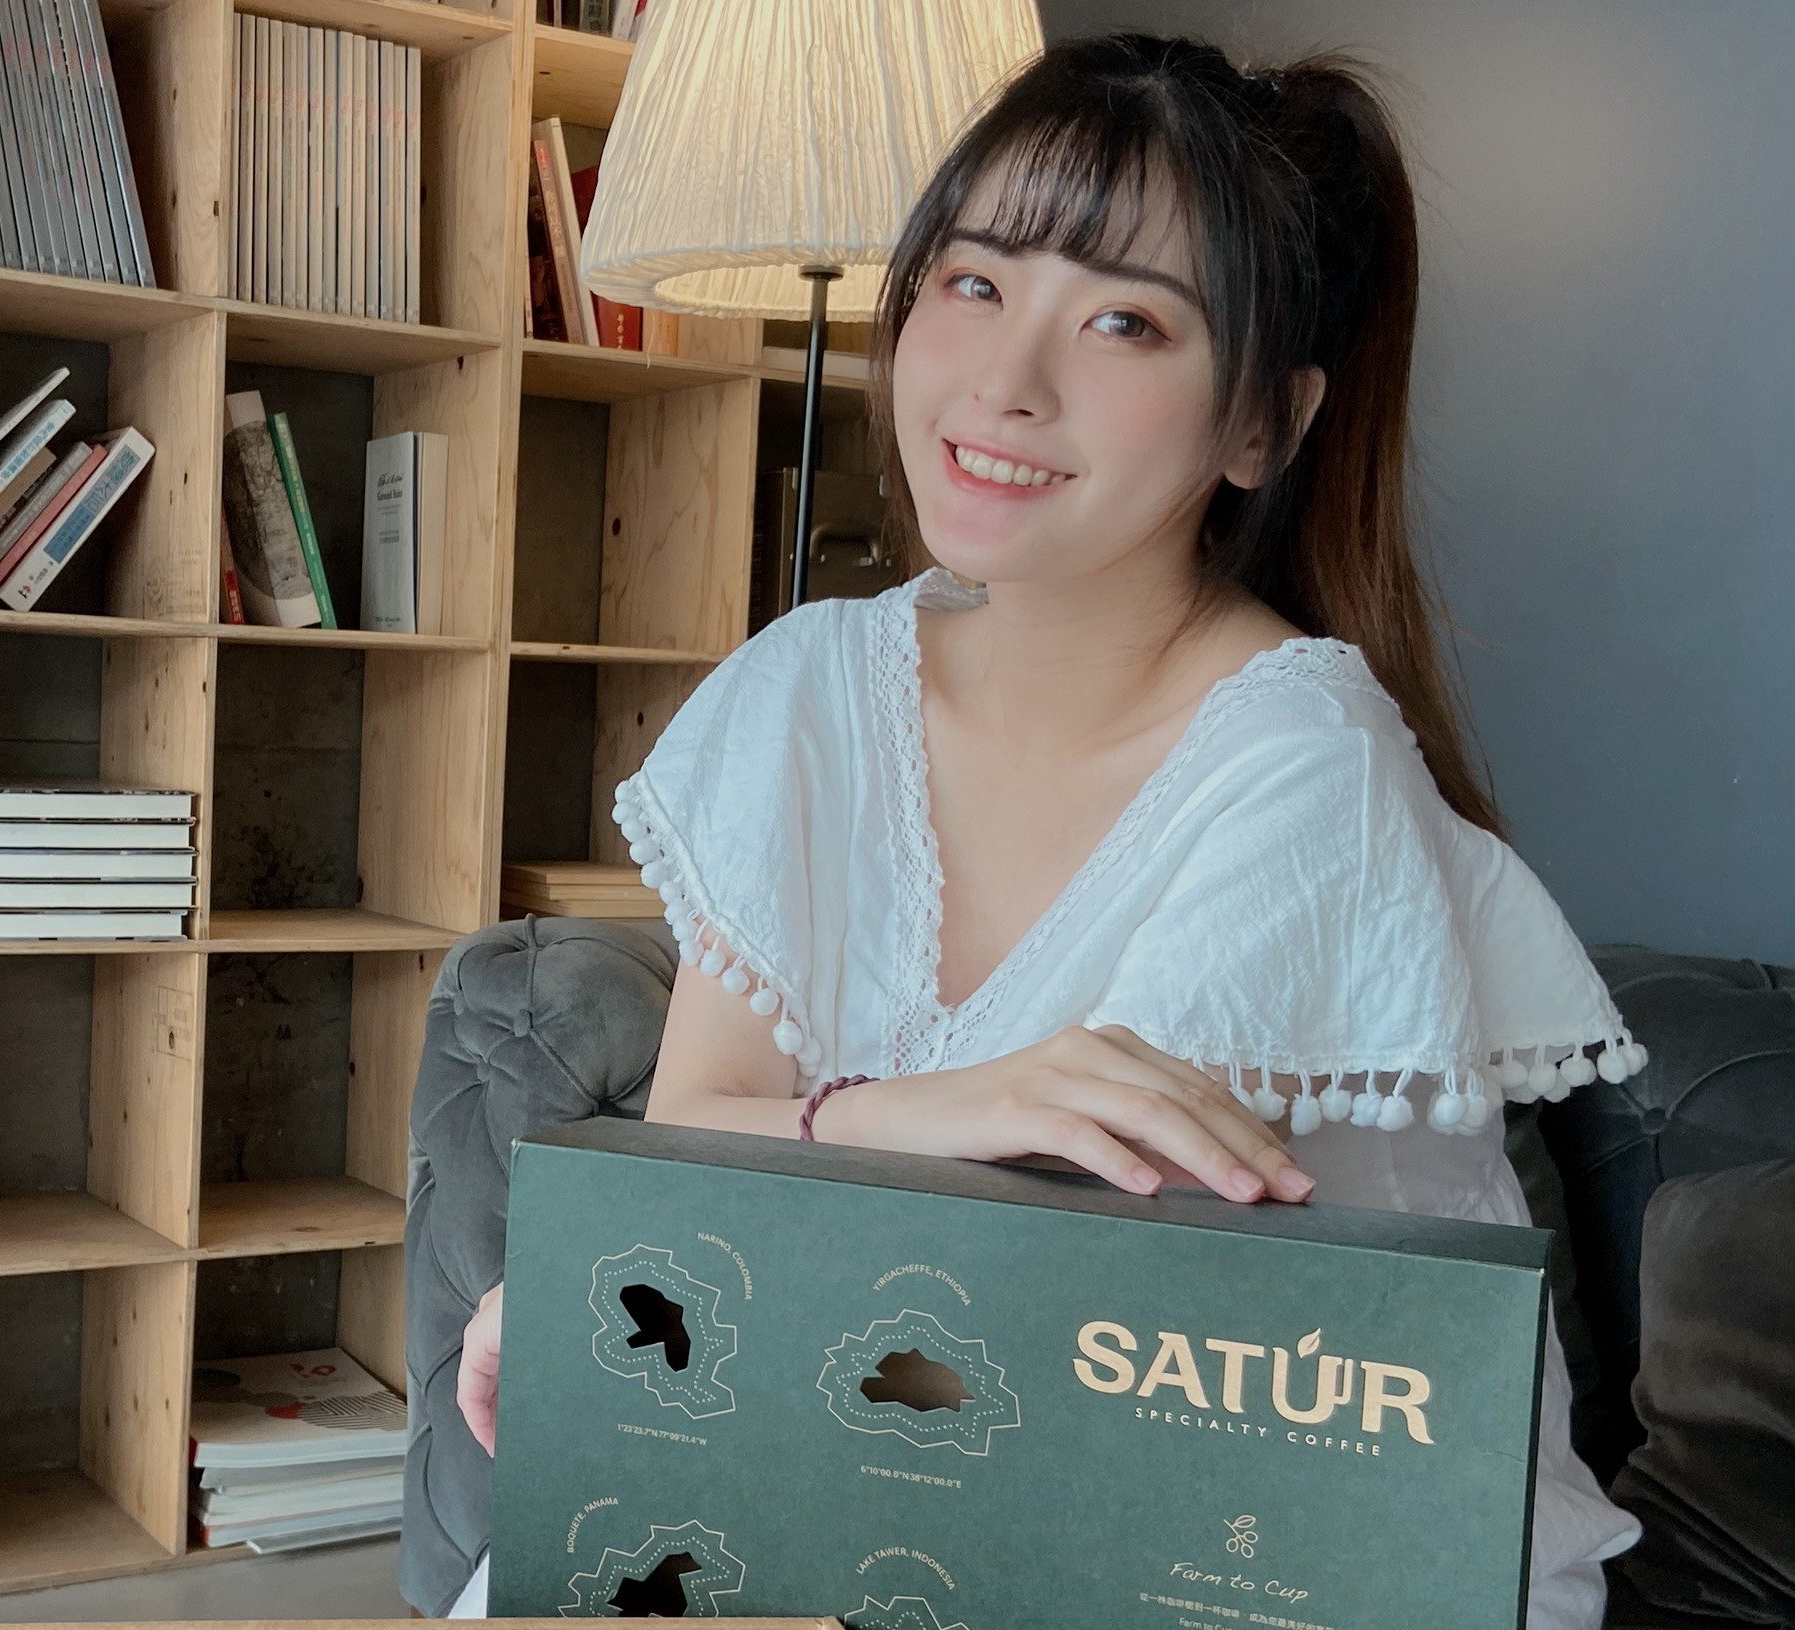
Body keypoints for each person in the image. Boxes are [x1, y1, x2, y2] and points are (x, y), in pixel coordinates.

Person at [446, 30, 1643, 1628]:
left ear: (1262, 427)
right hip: (895, 1442)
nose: (1007, 380)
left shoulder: (1308, 760)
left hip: (1252, 1539)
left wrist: (845, 1136)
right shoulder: (812, 684)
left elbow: (1071, 1299)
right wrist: (929, 1115)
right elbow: (701, 1133)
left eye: (1125, 321)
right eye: (974, 281)